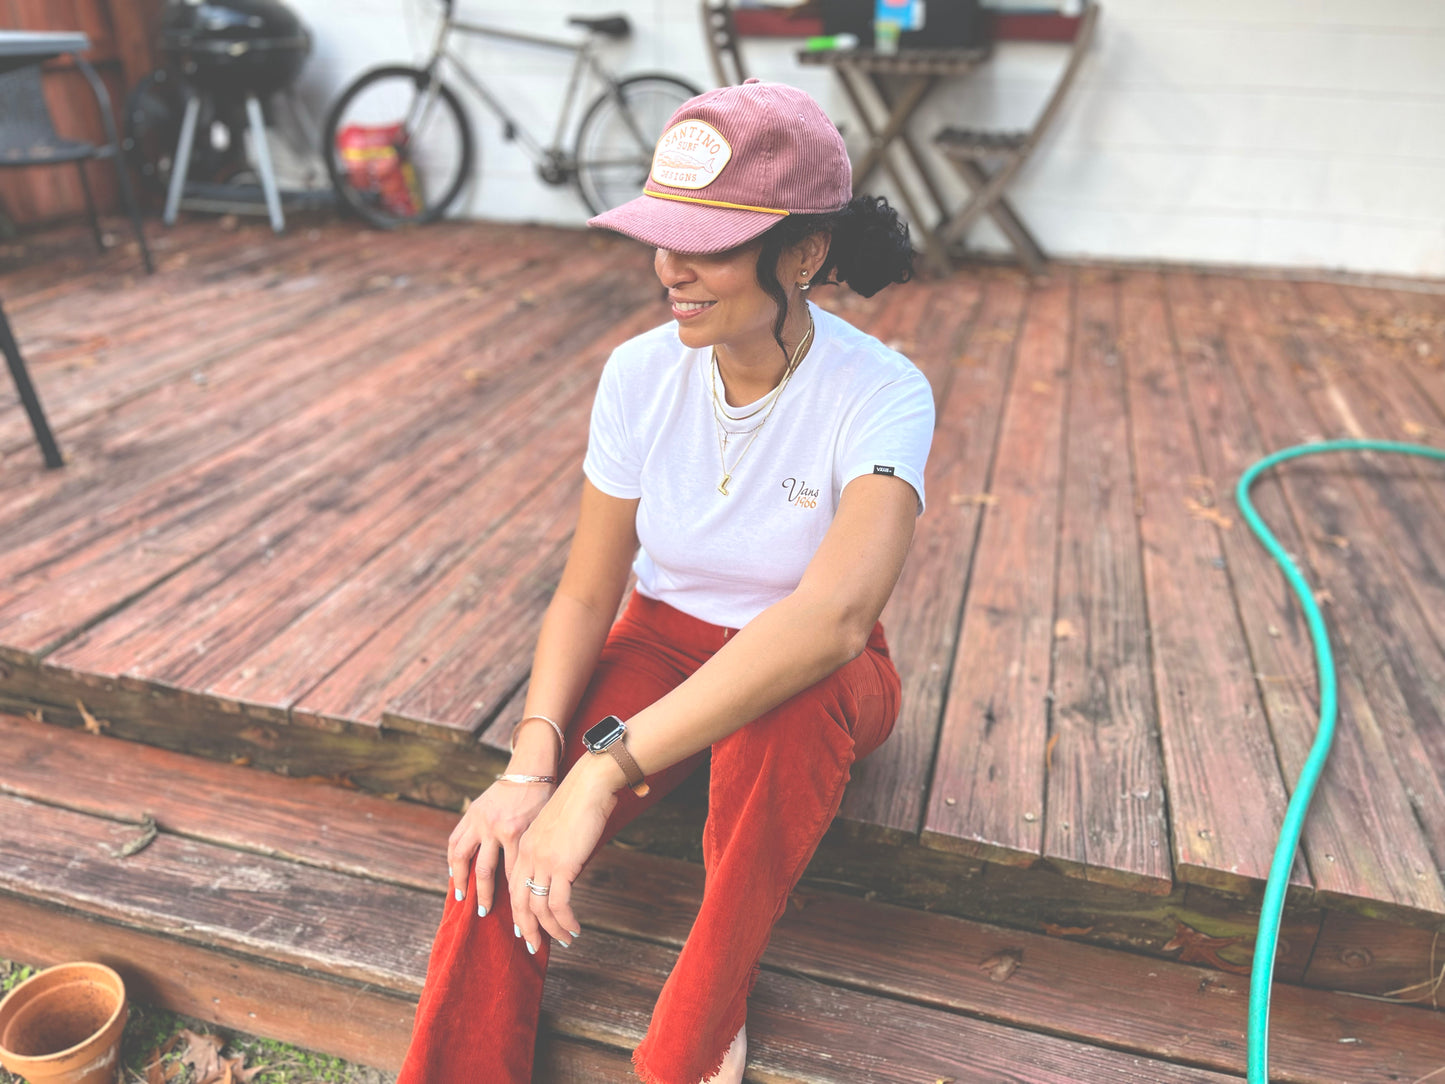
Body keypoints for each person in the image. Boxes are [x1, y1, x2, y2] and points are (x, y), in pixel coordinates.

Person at [397, 78, 933, 1084]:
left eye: (710, 243)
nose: (668, 268)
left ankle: (684, 1048)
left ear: (804, 253)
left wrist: (597, 773)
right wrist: (531, 770)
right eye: (659, 235)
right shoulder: (637, 373)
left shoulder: (882, 392)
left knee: (788, 696)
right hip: (658, 637)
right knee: (496, 841)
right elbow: (585, 595)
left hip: (823, 673)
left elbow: (832, 619)